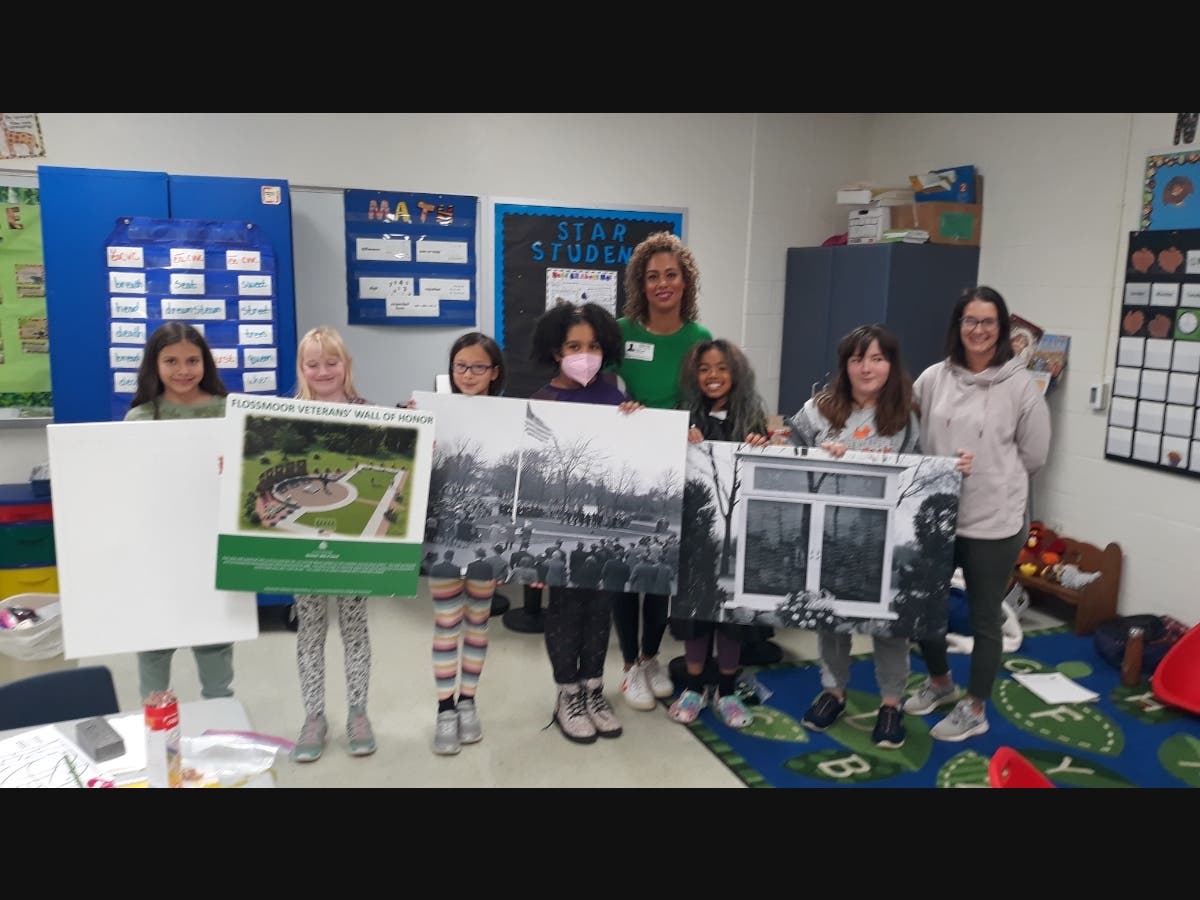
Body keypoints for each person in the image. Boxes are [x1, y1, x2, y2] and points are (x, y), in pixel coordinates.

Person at [902, 287, 1051, 741]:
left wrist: (989, 477)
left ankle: (975, 707)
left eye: (989, 322)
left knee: (985, 618)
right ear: (958, 326)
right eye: (971, 321)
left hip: (995, 522)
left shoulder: (1020, 386)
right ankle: (941, 683)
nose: (979, 330)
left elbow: (1034, 455)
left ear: (1002, 329)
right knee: (924, 610)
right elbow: (905, 431)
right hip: (937, 517)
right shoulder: (932, 378)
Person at [786, 324, 922, 749]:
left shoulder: (906, 417)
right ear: (845, 365)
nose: (867, 368)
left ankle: (891, 702)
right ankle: (834, 690)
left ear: (891, 365)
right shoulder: (818, 410)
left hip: (883, 542)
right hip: (828, 538)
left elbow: (920, 476)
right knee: (830, 617)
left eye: (877, 358)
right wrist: (815, 454)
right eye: (858, 359)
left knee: (890, 625)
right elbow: (788, 460)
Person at [613, 231, 714, 709]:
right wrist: (619, 403)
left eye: (671, 274)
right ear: (640, 282)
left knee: (658, 566)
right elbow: (594, 383)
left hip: (676, 464)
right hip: (626, 463)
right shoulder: (622, 331)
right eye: (652, 276)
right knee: (623, 565)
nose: (662, 284)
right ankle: (629, 665)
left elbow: (711, 397)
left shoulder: (699, 339)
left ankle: (651, 656)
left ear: (685, 280)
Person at [529, 301, 637, 743]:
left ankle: (594, 687)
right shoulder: (542, 401)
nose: (584, 353)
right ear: (557, 350)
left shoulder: (615, 392)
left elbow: (632, 457)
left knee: (600, 607)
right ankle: (566, 692)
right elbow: (532, 478)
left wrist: (639, 419)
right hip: (560, 523)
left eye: (593, 345)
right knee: (565, 608)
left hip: (607, 524)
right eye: (574, 345)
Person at [125, 322, 234, 703]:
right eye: (171, 361)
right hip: (159, 548)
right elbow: (130, 486)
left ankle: (220, 713)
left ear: (206, 362)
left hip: (213, 544)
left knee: (215, 639)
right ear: (154, 365)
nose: (183, 370)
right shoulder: (140, 418)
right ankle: (156, 726)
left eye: (192, 360)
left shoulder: (229, 411)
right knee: (154, 640)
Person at [668, 339, 770, 728]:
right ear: (694, 375)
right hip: (695, 538)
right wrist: (680, 441)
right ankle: (694, 686)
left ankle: (726, 690)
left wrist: (762, 446)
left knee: (732, 615)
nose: (713, 376)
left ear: (736, 374)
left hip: (739, 538)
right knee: (696, 613)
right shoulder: (683, 416)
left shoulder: (751, 418)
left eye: (722, 368)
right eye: (705, 368)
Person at [290, 326, 376, 763]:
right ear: (301, 369)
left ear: (346, 365)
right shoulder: (284, 416)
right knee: (310, 631)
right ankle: (314, 715)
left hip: (352, 543)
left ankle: (358, 711)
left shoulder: (370, 412)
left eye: (332, 361)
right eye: (313, 363)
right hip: (302, 542)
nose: (323, 371)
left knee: (355, 628)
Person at [421, 332, 508, 755]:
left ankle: (469, 702)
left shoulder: (507, 417)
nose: (468, 375)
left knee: (478, 620)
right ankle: (445, 709)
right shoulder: (430, 410)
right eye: (460, 366)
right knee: (446, 621)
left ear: (494, 373)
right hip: (441, 540)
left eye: (478, 367)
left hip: (483, 545)